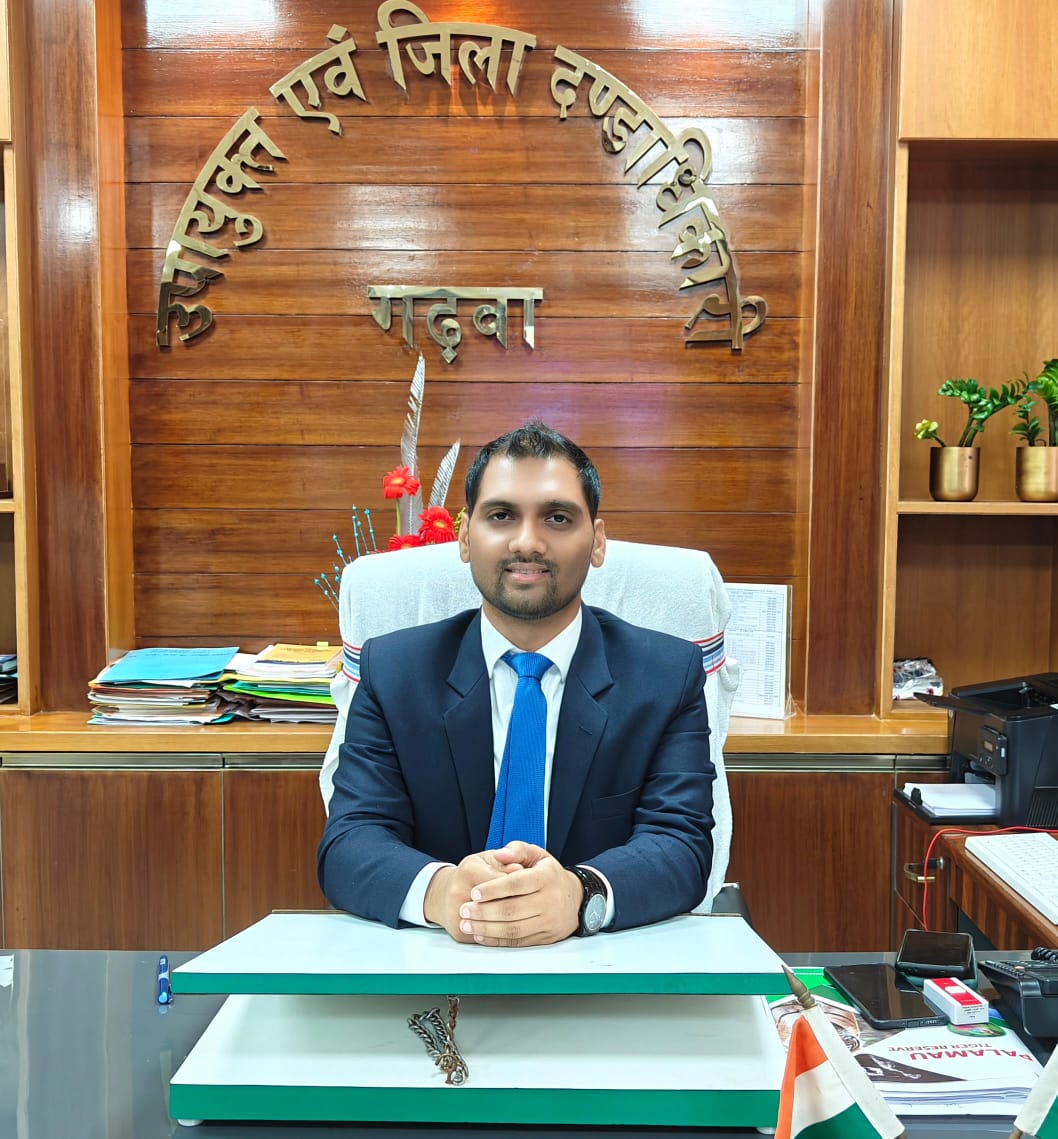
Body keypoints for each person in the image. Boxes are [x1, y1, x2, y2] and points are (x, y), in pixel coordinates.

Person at [317, 421, 715, 947]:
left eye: (558, 518)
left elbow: (681, 845)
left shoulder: (665, 675)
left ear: (597, 542)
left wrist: (581, 894)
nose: (527, 542)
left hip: (604, 966)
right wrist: (442, 892)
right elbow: (350, 841)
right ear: (465, 537)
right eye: (501, 515)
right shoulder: (394, 671)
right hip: (434, 961)